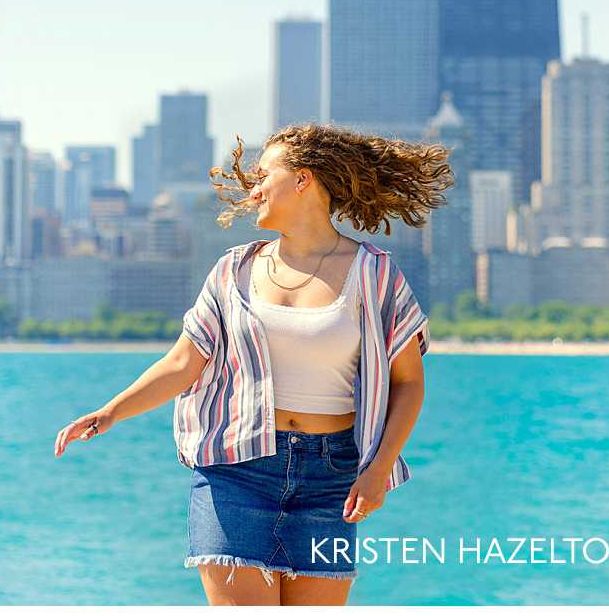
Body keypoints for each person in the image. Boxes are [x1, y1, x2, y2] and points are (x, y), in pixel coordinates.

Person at [54, 123, 452, 605]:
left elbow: (408, 383)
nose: (254, 188)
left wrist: (377, 471)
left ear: (303, 179)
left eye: (265, 175)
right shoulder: (233, 271)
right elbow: (183, 362)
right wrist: (110, 412)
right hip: (236, 472)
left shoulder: (375, 274)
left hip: (333, 480)